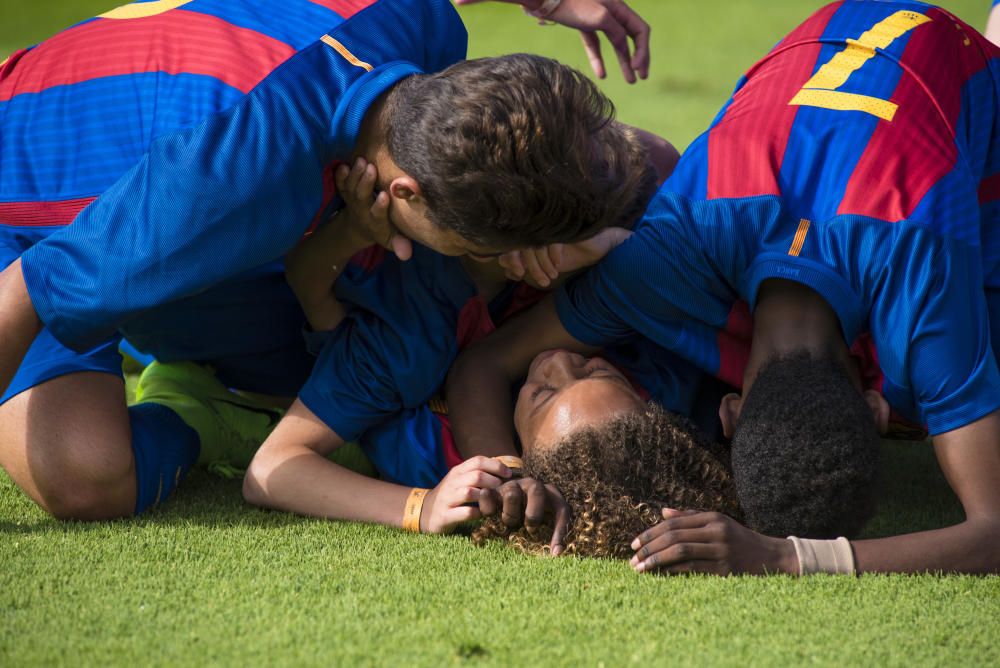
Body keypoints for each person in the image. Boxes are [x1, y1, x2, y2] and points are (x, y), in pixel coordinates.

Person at [0, 0, 654, 520]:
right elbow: (22, 293)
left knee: (301, 324)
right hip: (27, 205)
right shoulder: (225, 189)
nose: (512, 263)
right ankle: (194, 400)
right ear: (407, 194)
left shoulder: (422, 25)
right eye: (486, 249)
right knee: (85, 478)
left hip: (145, 118)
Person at [447, 0, 1000, 575]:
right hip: (889, 54)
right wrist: (512, 475)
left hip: (876, 35)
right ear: (732, 413)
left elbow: (992, 537)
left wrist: (786, 558)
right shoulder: (671, 254)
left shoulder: (917, 271)